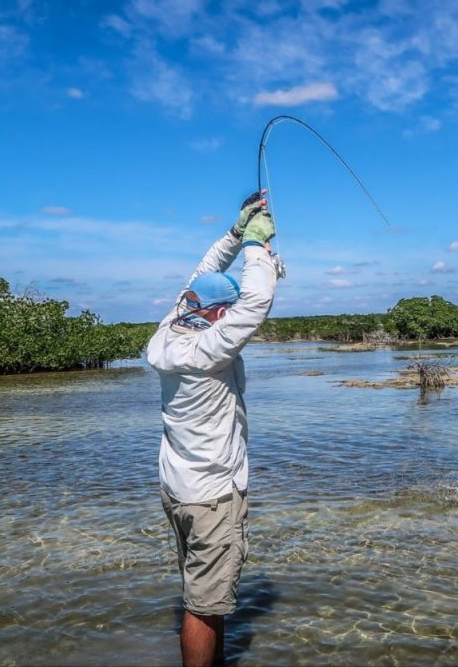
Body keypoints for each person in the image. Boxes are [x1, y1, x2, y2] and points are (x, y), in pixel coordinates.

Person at [147, 192, 279, 667]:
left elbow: (196, 278)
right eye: (230, 309)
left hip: (177, 490)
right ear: (219, 313)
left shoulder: (167, 334)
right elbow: (259, 299)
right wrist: (258, 246)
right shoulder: (210, 352)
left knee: (208, 596)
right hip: (212, 496)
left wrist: (234, 232)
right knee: (203, 607)